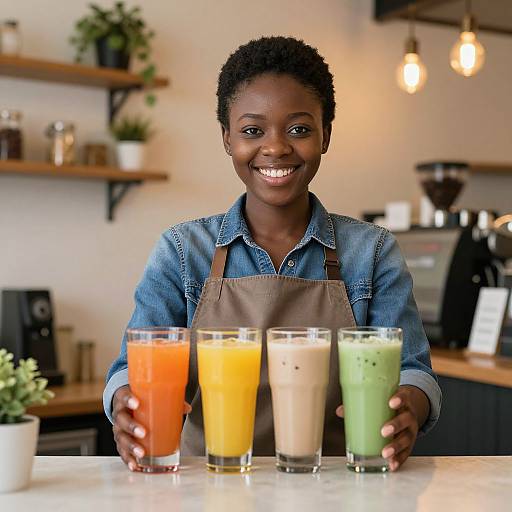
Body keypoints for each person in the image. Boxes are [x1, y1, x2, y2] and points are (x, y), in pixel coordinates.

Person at [104, 36, 441, 472]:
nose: (276, 147)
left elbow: (414, 369)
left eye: (299, 129)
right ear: (227, 139)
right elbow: (131, 370)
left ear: (326, 135)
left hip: (343, 485)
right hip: (206, 484)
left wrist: (409, 405)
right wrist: (124, 404)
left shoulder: (372, 252)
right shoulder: (183, 252)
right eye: (252, 130)